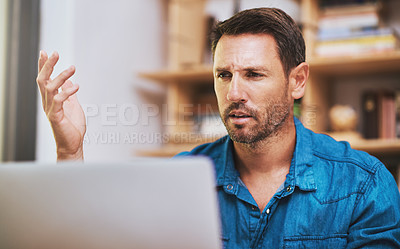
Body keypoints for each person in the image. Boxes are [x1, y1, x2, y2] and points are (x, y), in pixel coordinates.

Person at [36, 7, 400, 248]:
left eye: (253, 75)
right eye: (223, 75)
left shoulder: (363, 184)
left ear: (297, 81)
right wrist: (70, 152)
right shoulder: (178, 179)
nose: (234, 93)